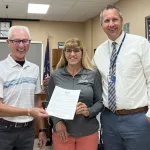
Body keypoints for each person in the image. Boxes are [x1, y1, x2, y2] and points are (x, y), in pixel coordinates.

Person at [93, 5, 150, 150]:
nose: (111, 24)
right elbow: (90, 79)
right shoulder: (99, 51)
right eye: (106, 21)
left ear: (122, 21)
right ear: (102, 25)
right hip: (109, 119)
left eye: (114, 19)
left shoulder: (140, 44)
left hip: (138, 118)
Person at [46, 37, 103, 150]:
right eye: (68, 50)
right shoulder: (56, 75)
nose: (72, 54)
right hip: (62, 132)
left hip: (88, 132)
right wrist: (57, 122)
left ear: (82, 52)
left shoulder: (93, 73)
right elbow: (49, 102)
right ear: (64, 53)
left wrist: (89, 111)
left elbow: (100, 101)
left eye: (76, 50)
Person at [0, 26, 49, 150]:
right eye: (16, 41)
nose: (21, 45)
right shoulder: (1, 68)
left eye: (25, 41)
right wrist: (28, 112)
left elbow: (37, 103)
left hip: (28, 131)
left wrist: (42, 130)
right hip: (4, 131)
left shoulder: (34, 69)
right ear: (8, 43)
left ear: (29, 43)